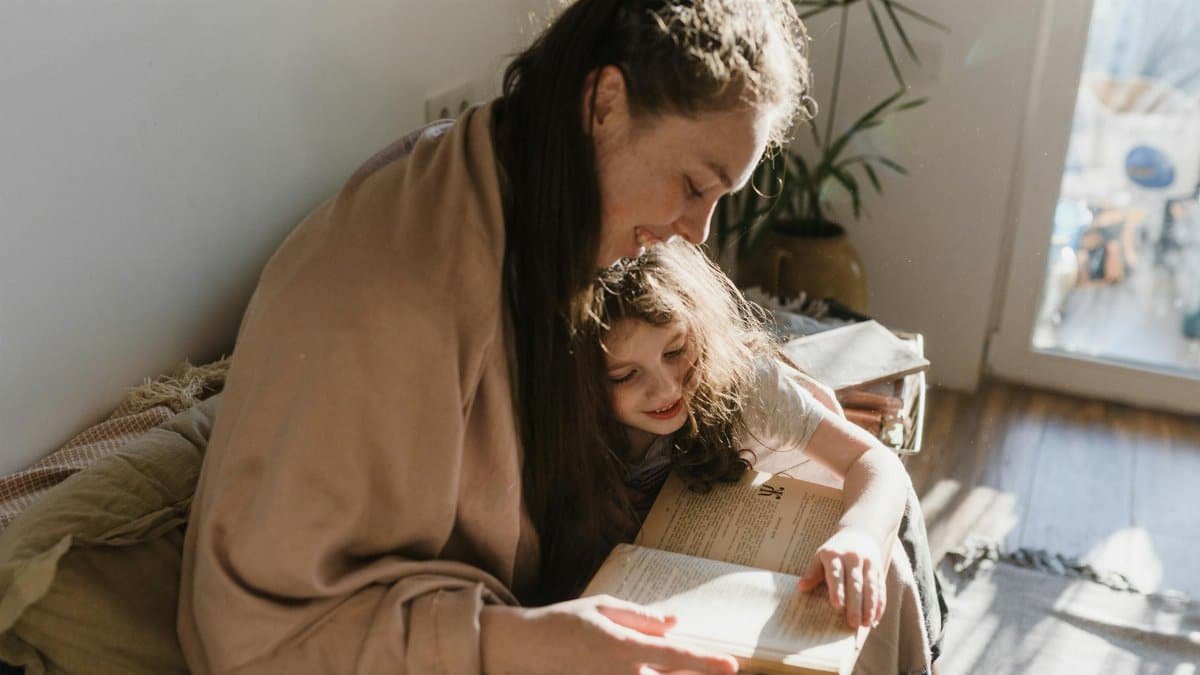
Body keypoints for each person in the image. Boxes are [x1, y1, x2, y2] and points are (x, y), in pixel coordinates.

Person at [177, 1, 812, 673]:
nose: (699, 231)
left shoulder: (542, 202)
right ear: (605, 104)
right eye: (692, 185)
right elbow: (260, 638)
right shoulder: (394, 295)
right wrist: (532, 642)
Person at [583, 240, 936, 673]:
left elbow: (877, 462)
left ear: (701, 326)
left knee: (881, 572)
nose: (666, 388)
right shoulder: (577, 433)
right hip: (663, 596)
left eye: (675, 351)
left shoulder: (747, 383)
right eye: (625, 375)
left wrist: (858, 533)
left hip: (770, 577)